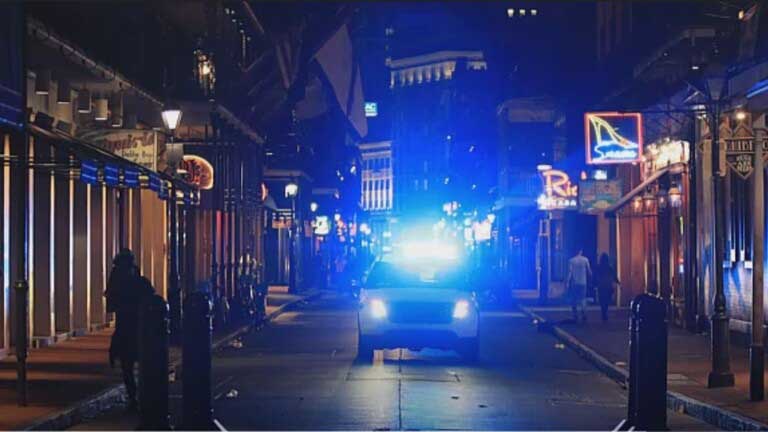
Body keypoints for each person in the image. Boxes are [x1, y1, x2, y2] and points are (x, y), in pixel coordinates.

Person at [104, 249, 155, 410]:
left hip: (128, 327)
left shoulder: (120, 279)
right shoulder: (137, 281)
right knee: (138, 364)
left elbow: (111, 304)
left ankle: (135, 397)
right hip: (136, 327)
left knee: (129, 366)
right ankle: (139, 396)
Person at [567, 249, 592, 323]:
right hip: (583, 282)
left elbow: (570, 272)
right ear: (581, 251)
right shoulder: (585, 260)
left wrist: (567, 281)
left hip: (574, 283)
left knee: (574, 299)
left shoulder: (571, 260)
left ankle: (575, 315)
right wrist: (591, 278)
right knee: (583, 299)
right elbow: (589, 271)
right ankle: (584, 314)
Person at [595, 253, 620, 322]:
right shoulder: (609, 267)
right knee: (607, 300)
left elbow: (596, 276)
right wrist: (618, 283)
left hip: (601, 286)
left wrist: (595, 284)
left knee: (602, 300)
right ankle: (605, 312)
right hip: (608, 286)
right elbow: (614, 276)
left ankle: (603, 312)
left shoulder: (598, 267)